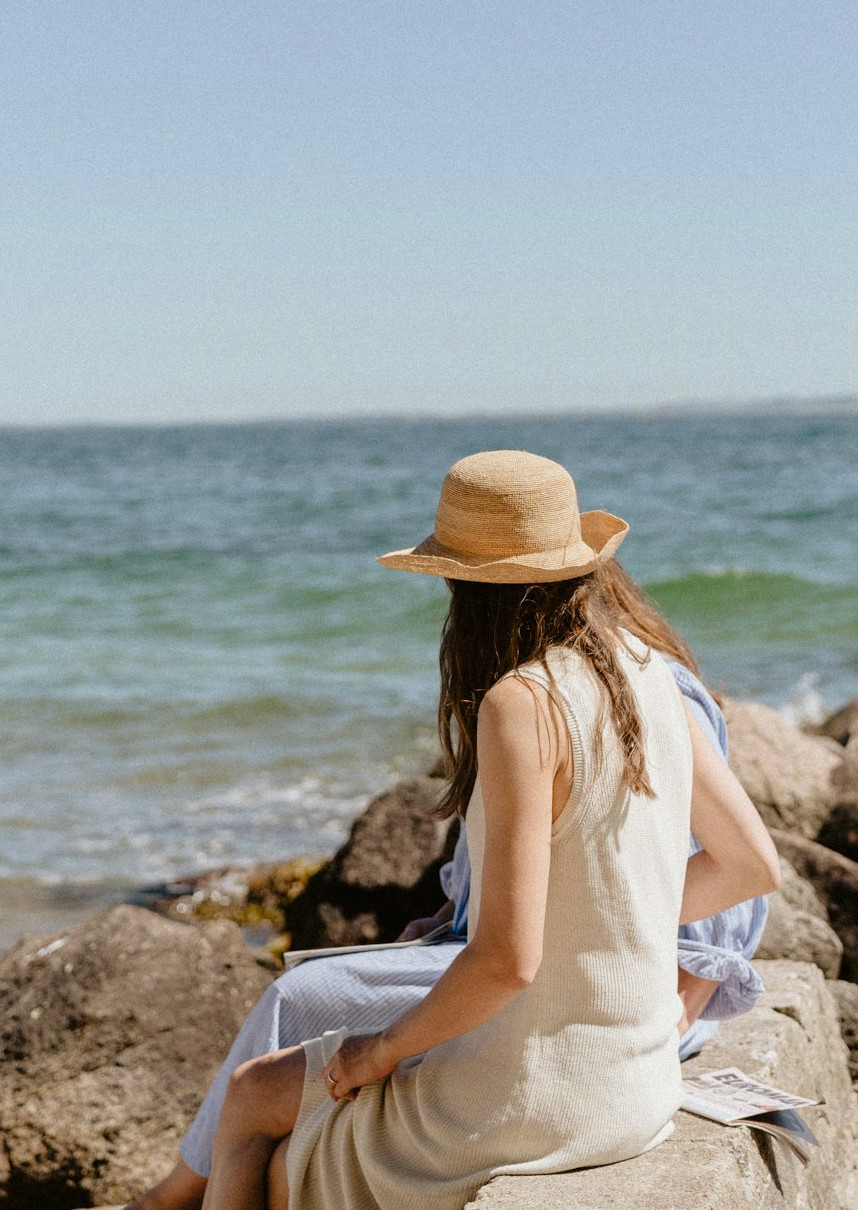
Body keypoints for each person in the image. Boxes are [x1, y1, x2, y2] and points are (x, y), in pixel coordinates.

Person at [180, 450, 781, 1210]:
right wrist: (607, 923)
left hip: (534, 1103)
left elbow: (507, 960)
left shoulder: (521, 702)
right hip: (639, 1088)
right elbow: (753, 864)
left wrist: (381, 1050)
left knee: (252, 1099)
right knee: (282, 1149)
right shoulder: (647, 667)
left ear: (466, 584)